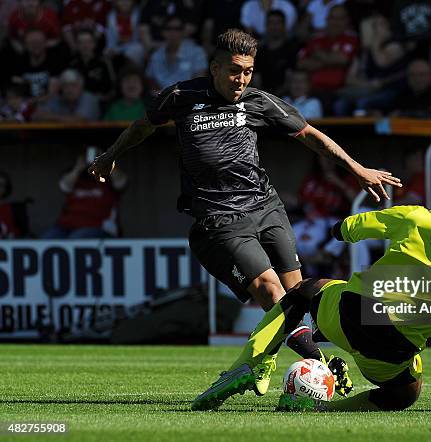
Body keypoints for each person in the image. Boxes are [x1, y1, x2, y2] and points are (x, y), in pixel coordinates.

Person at [88, 29, 401, 397]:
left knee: (297, 293)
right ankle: (320, 365)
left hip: (266, 208)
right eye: (235, 70)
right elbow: (142, 126)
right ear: (215, 67)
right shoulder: (180, 96)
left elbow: (311, 135)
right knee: (271, 291)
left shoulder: (259, 102)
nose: (241, 80)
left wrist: (357, 168)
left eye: (248, 71)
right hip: (220, 218)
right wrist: (111, 155)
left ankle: (269, 357)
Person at [191, 164, 431, 412]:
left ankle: (252, 362)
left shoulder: (416, 216)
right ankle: (326, 410)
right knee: (406, 394)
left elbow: (345, 230)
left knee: (305, 290)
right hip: (392, 351)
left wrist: (342, 229)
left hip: (352, 315)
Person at [43, 147, 127, 239]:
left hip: (99, 227)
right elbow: (64, 186)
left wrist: (107, 161)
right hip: (67, 226)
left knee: (77, 238)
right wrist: (78, 167)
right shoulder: (77, 177)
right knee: (48, 238)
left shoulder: (108, 178)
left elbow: (122, 182)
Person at [296, 4, 359, 93]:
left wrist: (318, 54)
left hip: (338, 90)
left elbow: (343, 59)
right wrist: (330, 61)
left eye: (340, 18)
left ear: (347, 20)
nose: (336, 22)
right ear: (327, 19)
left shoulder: (352, 38)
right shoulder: (317, 38)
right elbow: (301, 63)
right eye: (333, 18)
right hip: (311, 90)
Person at [145, 15, 208, 90]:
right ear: (162, 32)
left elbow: (199, 83)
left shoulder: (197, 53)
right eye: (168, 28)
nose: (173, 32)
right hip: (163, 98)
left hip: (188, 98)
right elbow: (151, 83)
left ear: (183, 31)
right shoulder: (156, 56)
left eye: (177, 29)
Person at [253, 9, 300, 96]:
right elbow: (256, 80)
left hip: (286, 97)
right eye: (271, 23)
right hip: (262, 97)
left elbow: (290, 80)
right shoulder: (259, 52)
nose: (274, 26)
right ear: (266, 26)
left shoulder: (292, 49)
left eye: (278, 23)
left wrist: (275, 98)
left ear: (284, 26)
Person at [33, 68, 100, 121]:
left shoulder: (89, 98)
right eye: (65, 85)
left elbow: (79, 120)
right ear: (61, 88)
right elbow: (37, 116)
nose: (69, 90)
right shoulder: (57, 98)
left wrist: (50, 116)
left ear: (81, 86)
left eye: (73, 85)